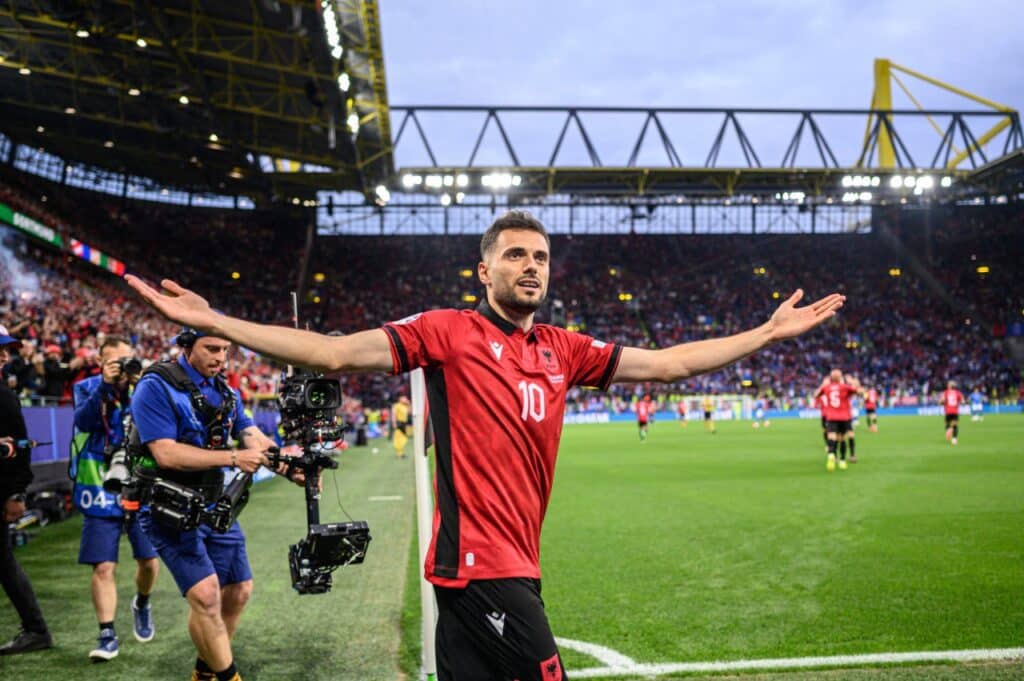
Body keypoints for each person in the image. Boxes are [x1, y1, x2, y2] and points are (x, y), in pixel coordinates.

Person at [126, 209, 844, 681]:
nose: (532, 265)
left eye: (541, 257)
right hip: (477, 566)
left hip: (515, 562)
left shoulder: (565, 348)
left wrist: (766, 333)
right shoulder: (448, 333)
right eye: (515, 255)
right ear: (485, 270)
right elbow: (334, 352)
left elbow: (669, 364)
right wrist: (218, 319)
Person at [130, 328, 296, 681]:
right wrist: (233, 458)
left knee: (238, 591)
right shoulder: (155, 385)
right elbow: (166, 453)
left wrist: (289, 468)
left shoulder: (225, 391)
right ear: (187, 346)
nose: (220, 357)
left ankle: (204, 674)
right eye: (211, 348)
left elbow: (252, 436)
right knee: (206, 596)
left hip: (213, 505)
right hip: (168, 507)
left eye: (225, 349)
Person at [71, 336, 160, 661]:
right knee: (103, 566)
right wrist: (105, 387)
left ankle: (143, 602)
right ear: (101, 361)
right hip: (99, 486)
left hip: (141, 483)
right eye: (117, 361)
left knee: (148, 561)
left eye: (128, 359)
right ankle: (107, 634)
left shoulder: (145, 388)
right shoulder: (87, 387)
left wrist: (141, 386)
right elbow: (84, 421)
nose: (123, 366)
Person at [0, 325, 52, 656]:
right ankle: (36, 629)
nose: (5, 356)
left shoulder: (3, 395)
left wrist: (17, 493)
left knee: (4, 561)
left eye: (5, 350)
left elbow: (20, 447)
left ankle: (36, 629)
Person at [815, 370, 860, 471]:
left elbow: (816, 395)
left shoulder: (826, 387)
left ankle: (832, 454)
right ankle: (843, 460)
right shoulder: (845, 387)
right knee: (842, 438)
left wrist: (823, 385)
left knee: (831, 437)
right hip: (844, 417)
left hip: (831, 416)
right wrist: (853, 381)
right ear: (840, 378)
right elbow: (858, 391)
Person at [941, 380, 965, 445]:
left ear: (950, 386)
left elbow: (942, 401)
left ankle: (949, 429)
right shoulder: (958, 393)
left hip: (948, 411)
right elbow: (963, 402)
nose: (947, 385)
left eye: (948, 385)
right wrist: (961, 403)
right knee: (955, 425)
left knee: (947, 424)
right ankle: (954, 439)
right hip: (955, 411)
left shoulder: (946, 392)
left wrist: (941, 402)